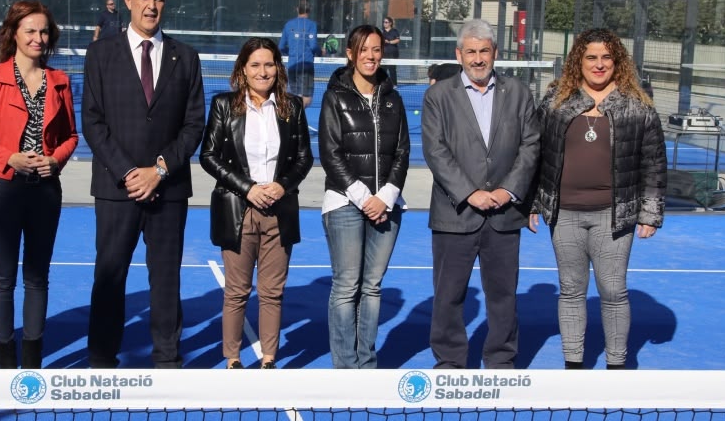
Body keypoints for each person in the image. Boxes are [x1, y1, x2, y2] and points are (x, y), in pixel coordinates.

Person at [81, 0, 206, 369]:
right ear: (129, 1)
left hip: (168, 191)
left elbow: (193, 125)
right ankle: (101, 359)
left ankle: (167, 360)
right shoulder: (100, 54)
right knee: (110, 276)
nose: (153, 6)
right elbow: (93, 123)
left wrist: (160, 170)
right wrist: (129, 173)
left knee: (166, 279)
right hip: (116, 189)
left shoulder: (185, 57)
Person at [529, 28, 667, 370]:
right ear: (579, 61)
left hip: (614, 215)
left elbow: (653, 160)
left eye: (607, 57)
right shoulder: (556, 102)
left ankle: (617, 365)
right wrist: (533, 201)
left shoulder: (637, 106)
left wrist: (649, 214)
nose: (599, 64)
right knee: (571, 289)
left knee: (614, 291)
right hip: (564, 215)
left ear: (617, 62)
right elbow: (536, 153)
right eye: (591, 57)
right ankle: (573, 365)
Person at [0, 0, 79, 369]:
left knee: (37, 276)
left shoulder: (60, 81)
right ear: (13, 34)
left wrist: (55, 160)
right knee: (3, 275)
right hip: (2, 188)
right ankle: (4, 357)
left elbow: (72, 136)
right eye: (30, 30)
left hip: (45, 190)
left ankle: (31, 358)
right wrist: (7, 157)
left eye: (44, 31)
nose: (38, 38)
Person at [422, 19, 539, 369]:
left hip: (504, 215)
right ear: (459, 55)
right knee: (448, 296)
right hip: (454, 214)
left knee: (503, 296)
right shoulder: (437, 97)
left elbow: (531, 146)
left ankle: (501, 360)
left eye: (483, 51)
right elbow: (435, 151)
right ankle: (450, 362)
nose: (477, 59)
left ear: (495, 54)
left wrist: (508, 191)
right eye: (470, 51)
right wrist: (470, 193)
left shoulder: (518, 92)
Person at [199, 37, 313, 370]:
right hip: (237, 209)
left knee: (272, 292)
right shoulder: (223, 104)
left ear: (277, 68)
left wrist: (282, 186)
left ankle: (268, 359)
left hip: (280, 211)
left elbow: (304, 158)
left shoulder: (292, 106)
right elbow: (208, 156)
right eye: (255, 65)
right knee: (236, 291)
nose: (263, 72)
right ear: (242, 70)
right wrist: (248, 189)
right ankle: (232, 358)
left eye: (269, 64)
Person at [319, 24, 409, 369]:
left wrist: (385, 196)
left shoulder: (393, 98)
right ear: (351, 54)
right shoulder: (334, 97)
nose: (371, 56)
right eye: (364, 50)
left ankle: (366, 363)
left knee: (371, 287)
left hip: (387, 206)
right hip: (344, 204)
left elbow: (402, 151)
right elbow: (331, 153)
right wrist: (363, 197)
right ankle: (345, 366)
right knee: (346, 286)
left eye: (376, 49)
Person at [279, 0, 321, 107]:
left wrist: (292, 52)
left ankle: (293, 120)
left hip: (292, 66)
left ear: (297, 9)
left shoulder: (288, 25)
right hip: (306, 66)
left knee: (293, 96)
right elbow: (313, 46)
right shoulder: (312, 25)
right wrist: (321, 52)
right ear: (309, 9)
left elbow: (281, 46)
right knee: (306, 99)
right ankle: (298, 120)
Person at [381, 16, 400, 85]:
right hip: (384, 53)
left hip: (393, 53)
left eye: (386, 22)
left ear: (390, 23)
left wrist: (389, 42)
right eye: (384, 22)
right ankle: (383, 83)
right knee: (383, 69)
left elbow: (397, 40)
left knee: (392, 69)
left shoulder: (395, 31)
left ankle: (394, 84)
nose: (384, 24)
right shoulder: (381, 31)